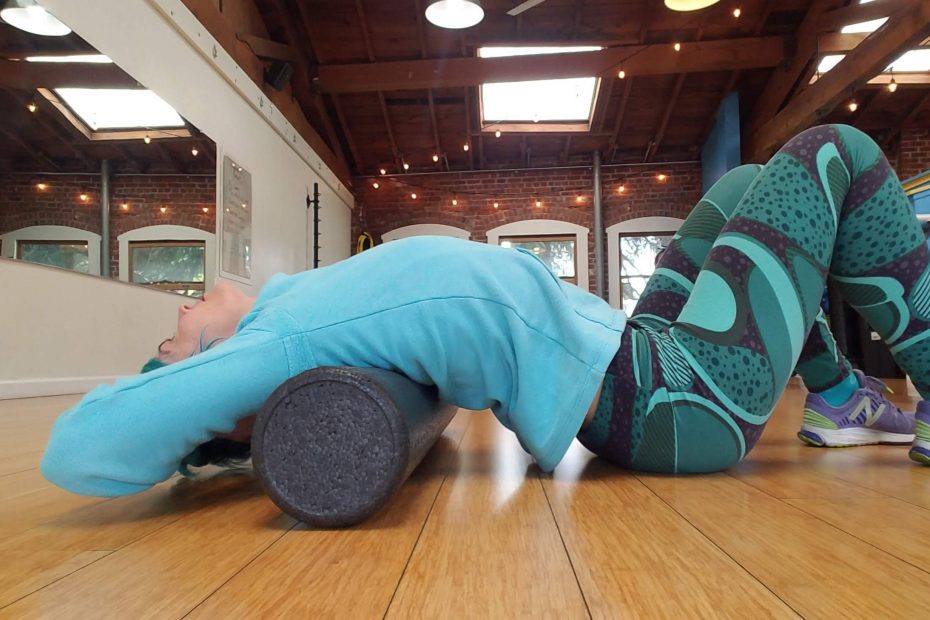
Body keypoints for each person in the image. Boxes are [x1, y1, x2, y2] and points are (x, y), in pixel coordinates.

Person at [41, 124, 930, 497]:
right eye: (176, 333)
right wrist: (191, 386)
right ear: (197, 367)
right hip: (673, 403)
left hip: (642, 352)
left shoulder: (295, 305)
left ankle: (840, 397)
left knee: (743, 183)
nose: (188, 305)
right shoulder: (272, 342)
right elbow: (79, 452)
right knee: (834, 152)